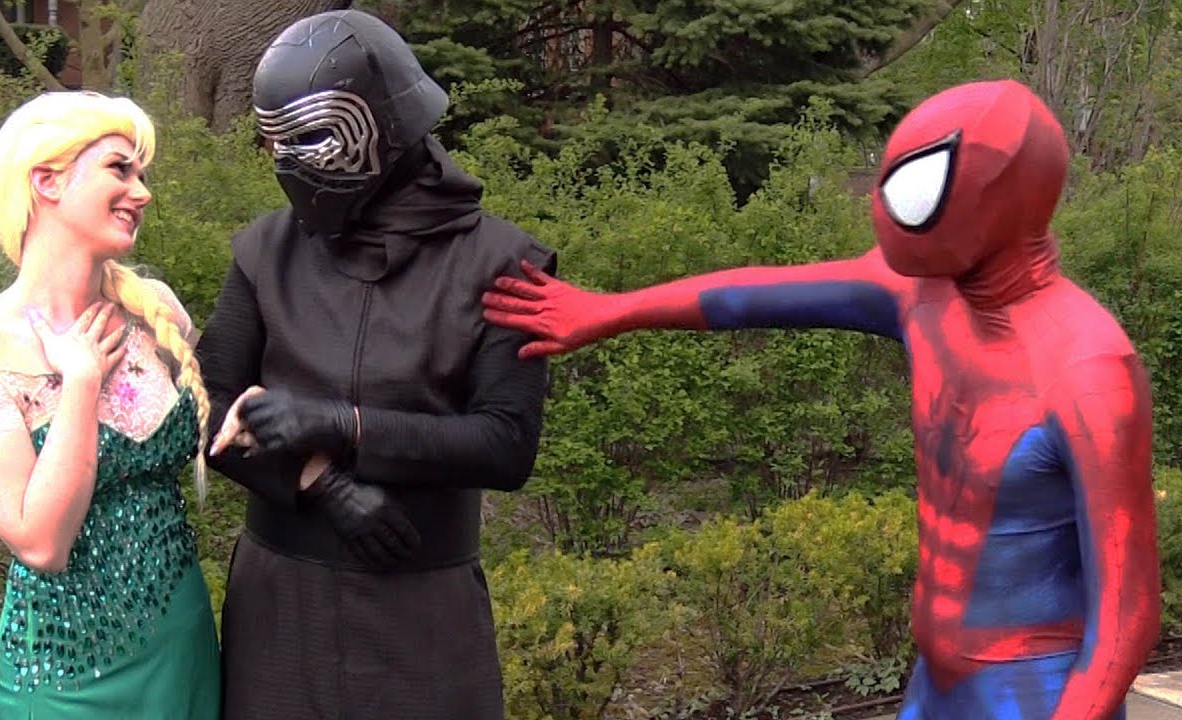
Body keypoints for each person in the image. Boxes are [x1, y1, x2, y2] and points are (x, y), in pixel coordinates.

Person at [483, 79, 1158, 719]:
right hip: (939, 678)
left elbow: (1126, 616)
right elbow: (754, 295)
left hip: (1037, 689)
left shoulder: (1089, 369)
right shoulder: (921, 295)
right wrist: (608, 311)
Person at [196, 8, 556, 719]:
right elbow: (205, 403)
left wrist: (346, 424)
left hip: (424, 614)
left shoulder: (501, 263)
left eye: (309, 137)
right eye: (275, 143)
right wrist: (321, 483)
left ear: (383, 123)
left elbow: (507, 442)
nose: (287, 163)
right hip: (280, 611)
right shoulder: (267, 252)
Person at [0, 91, 220, 718]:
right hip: (66, 676)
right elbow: (42, 544)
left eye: (142, 174)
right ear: (47, 181)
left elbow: (222, 428)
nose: (142, 192)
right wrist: (82, 382)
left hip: (186, 645)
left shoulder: (156, 311)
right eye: (120, 169)